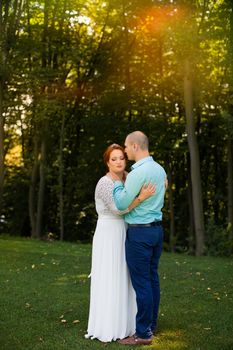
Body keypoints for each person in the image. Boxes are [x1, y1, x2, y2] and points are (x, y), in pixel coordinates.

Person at [85, 143, 155, 343]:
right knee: (110, 276)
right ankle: (108, 325)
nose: (118, 162)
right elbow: (118, 209)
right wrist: (141, 198)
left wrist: (162, 181)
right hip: (108, 233)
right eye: (113, 159)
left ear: (126, 160)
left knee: (126, 276)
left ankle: (128, 324)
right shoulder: (104, 183)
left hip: (126, 231)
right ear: (107, 162)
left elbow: (149, 185)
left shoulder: (128, 178)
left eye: (121, 158)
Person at [112, 131, 167, 346]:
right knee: (152, 279)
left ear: (135, 145)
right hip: (156, 232)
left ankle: (143, 334)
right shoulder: (159, 169)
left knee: (142, 283)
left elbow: (122, 203)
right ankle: (151, 326)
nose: (124, 150)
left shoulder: (137, 173)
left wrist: (117, 185)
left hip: (140, 233)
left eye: (126, 146)